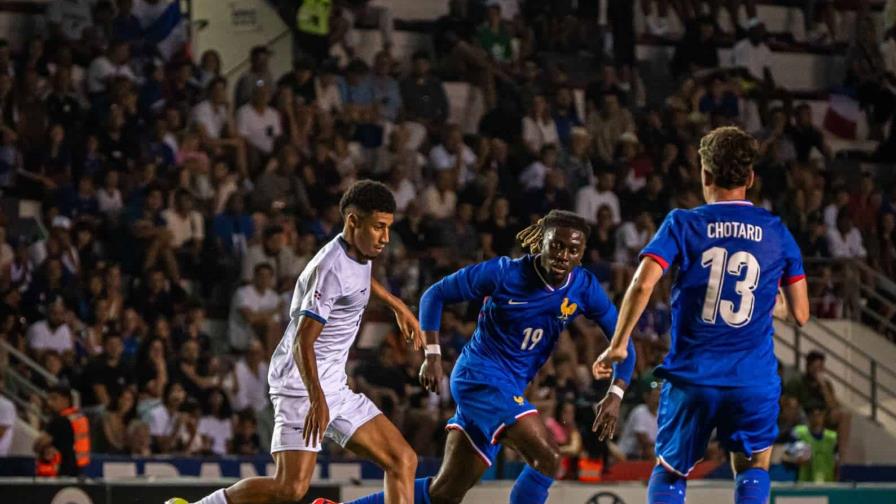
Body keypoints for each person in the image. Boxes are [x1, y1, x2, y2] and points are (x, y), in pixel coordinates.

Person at [346, 209, 636, 504]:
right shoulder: (504, 273)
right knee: (547, 456)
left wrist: (615, 392)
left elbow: (624, 342)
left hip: (509, 386)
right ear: (541, 243)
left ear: (582, 253)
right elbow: (434, 295)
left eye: (573, 250)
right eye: (557, 245)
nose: (563, 255)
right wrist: (432, 355)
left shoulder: (584, 287)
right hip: (479, 376)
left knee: (445, 494)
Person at [595, 126, 810, 504]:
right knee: (753, 468)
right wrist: (768, 302)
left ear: (704, 174)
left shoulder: (683, 223)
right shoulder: (777, 232)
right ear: (750, 178)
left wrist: (619, 343)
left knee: (671, 471)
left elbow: (643, 285)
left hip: (692, 377)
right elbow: (801, 313)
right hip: (751, 379)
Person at [177, 180, 423, 504]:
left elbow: (361, 279)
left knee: (402, 460)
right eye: (379, 227)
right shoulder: (329, 269)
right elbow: (301, 343)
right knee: (289, 488)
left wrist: (397, 305)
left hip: (332, 385)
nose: (385, 238)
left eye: (388, 228)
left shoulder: (359, 252)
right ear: (353, 221)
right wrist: (317, 399)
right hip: (301, 383)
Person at [36, 385, 90, 476]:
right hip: (79, 469)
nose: (50, 403)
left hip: (60, 469)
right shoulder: (79, 417)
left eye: (54, 399)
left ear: (66, 400)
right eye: (49, 399)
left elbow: (40, 444)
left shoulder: (59, 420)